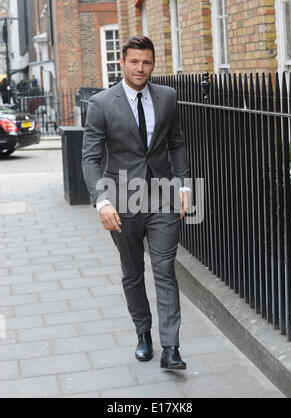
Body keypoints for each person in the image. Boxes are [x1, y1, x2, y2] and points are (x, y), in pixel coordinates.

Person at [82, 36, 191, 370]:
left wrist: (185, 185)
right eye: (134, 62)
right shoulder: (101, 104)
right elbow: (90, 158)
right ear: (123, 62)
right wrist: (101, 202)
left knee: (164, 268)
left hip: (162, 197)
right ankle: (143, 333)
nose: (140, 68)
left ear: (153, 64)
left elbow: (177, 143)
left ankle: (171, 347)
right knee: (132, 272)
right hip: (121, 200)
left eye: (146, 62)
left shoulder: (168, 97)